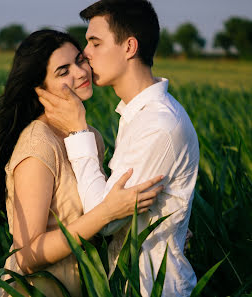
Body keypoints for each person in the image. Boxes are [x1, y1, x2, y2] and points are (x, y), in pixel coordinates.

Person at [0, 29, 164, 297]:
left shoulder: (90, 137)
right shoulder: (38, 144)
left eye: (80, 60)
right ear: (40, 88)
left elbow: (105, 206)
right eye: (62, 71)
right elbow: (28, 255)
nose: (80, 72)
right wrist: (107, 213)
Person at [36, 1, 200, 296]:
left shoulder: (158, 125)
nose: (85, 53)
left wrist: (78, 129)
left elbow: (105, 220)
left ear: (129, 47)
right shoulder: (137, 116)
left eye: (95, 43)